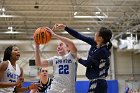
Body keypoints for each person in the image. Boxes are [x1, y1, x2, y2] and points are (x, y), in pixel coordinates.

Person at [54, 24, 112, 93]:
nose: (95, 33)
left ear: (101, 38)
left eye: (97, 32)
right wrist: (65, 27)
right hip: (95, 82)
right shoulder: (94, 43)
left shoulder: (102, 51)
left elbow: (87, 63)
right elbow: (79, 36)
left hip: (98, 83)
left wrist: (77, 57)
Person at [35, 27, 78, 93]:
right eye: (57, 46)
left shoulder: (72, 56)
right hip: (54, 90)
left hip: (69, 91)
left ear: (67, 47)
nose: (58, 47)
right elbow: (38, 63)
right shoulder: (55, 59)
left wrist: (54, 35)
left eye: (61, 45)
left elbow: (71, 44)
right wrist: (37, 46)